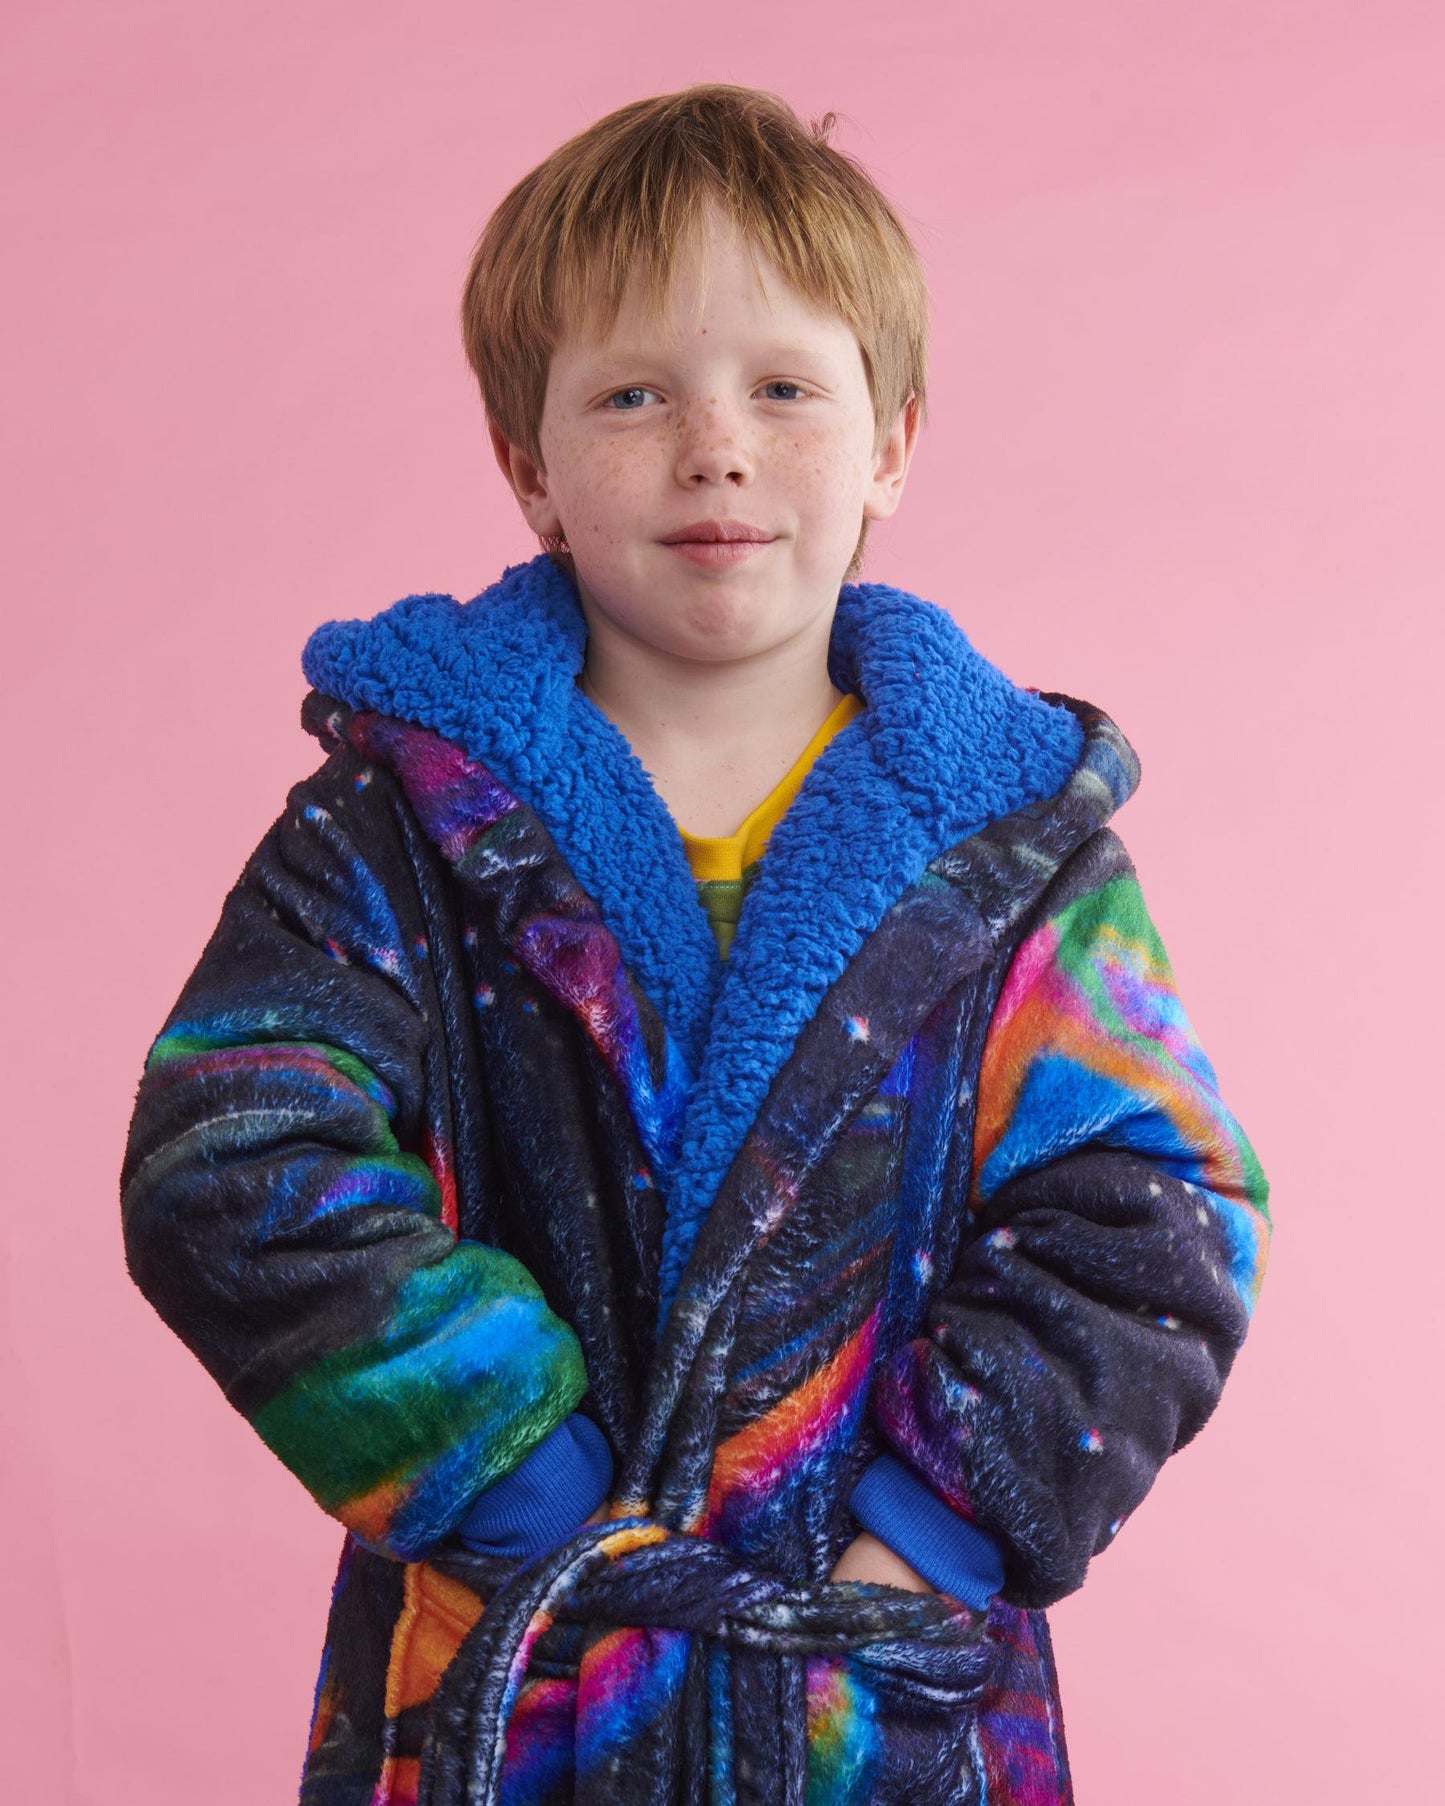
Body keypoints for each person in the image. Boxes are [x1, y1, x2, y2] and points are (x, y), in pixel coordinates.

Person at [119, 82, 1271, 1806]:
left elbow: (1153, 1211)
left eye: (784, 388)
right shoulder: (399, 825)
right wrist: (517, 1480)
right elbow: (231, 1154)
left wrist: (931, 1527)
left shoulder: (1013, 854)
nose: (713, 445)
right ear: (528, 466)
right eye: (632, 393)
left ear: (890, 442)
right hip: (514, 1681)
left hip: (876, 1700)